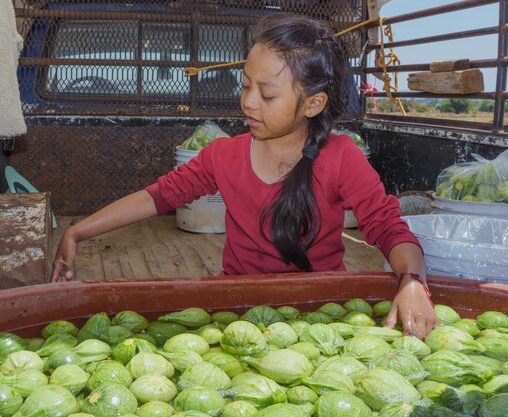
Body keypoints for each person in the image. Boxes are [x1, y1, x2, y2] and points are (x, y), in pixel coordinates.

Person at [52, 14, 439, 339]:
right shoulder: (224, 155)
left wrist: (412, 283)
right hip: (235, 310)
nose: (248, 102)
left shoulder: (342, 158)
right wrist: (76, 232)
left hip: (319, 310)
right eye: (245, 85)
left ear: (313, 103)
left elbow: (389, 228)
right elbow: (157, 197)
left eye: (267, 95)